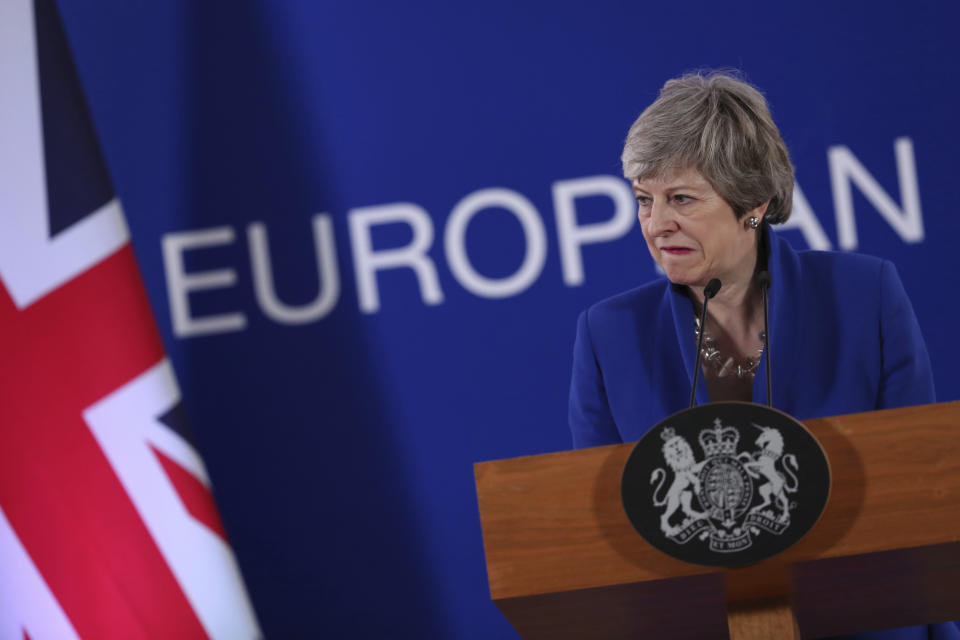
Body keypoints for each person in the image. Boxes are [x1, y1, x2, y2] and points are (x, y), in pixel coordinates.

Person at [568, 71, 955, 640]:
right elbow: (607, 537)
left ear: (753, 202)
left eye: (681, 199)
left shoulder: (864, 295)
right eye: (643, 201)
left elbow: (922, 490)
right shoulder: (609, 334)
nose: (655, 224)